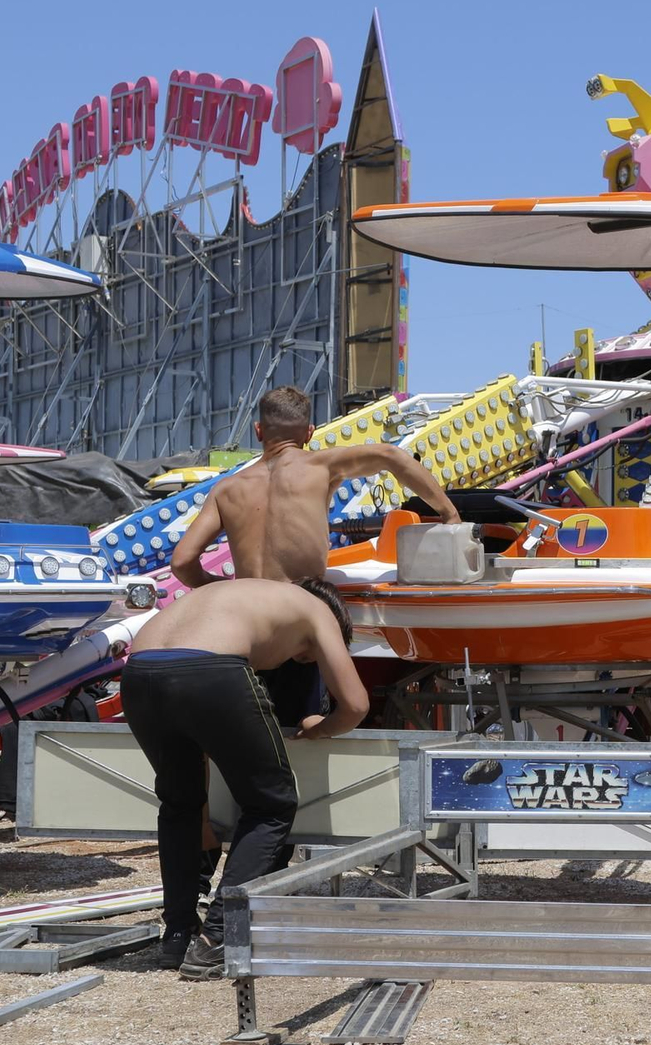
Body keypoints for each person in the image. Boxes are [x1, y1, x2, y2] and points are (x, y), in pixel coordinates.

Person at [120, 576, 367, 979]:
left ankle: (178, 935)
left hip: (140, 672)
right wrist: (319, 728)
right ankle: (218, 938)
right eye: (306, 657)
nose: (299, 661)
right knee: (272, 803)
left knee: (181, 802)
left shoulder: (241, 592)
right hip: (212, 671)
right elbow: (355, 705)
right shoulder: (319, 612)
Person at [170, 385, 459, 724]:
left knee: (249, 730)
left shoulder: (227, 489)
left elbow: (182, 563)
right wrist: (449, 514)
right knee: (302, 730)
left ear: (259, 431)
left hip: (244, 629)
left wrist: (227, 589)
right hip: (297, 625)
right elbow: (391, 457)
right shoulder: (321, 465)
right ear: (309, 433)